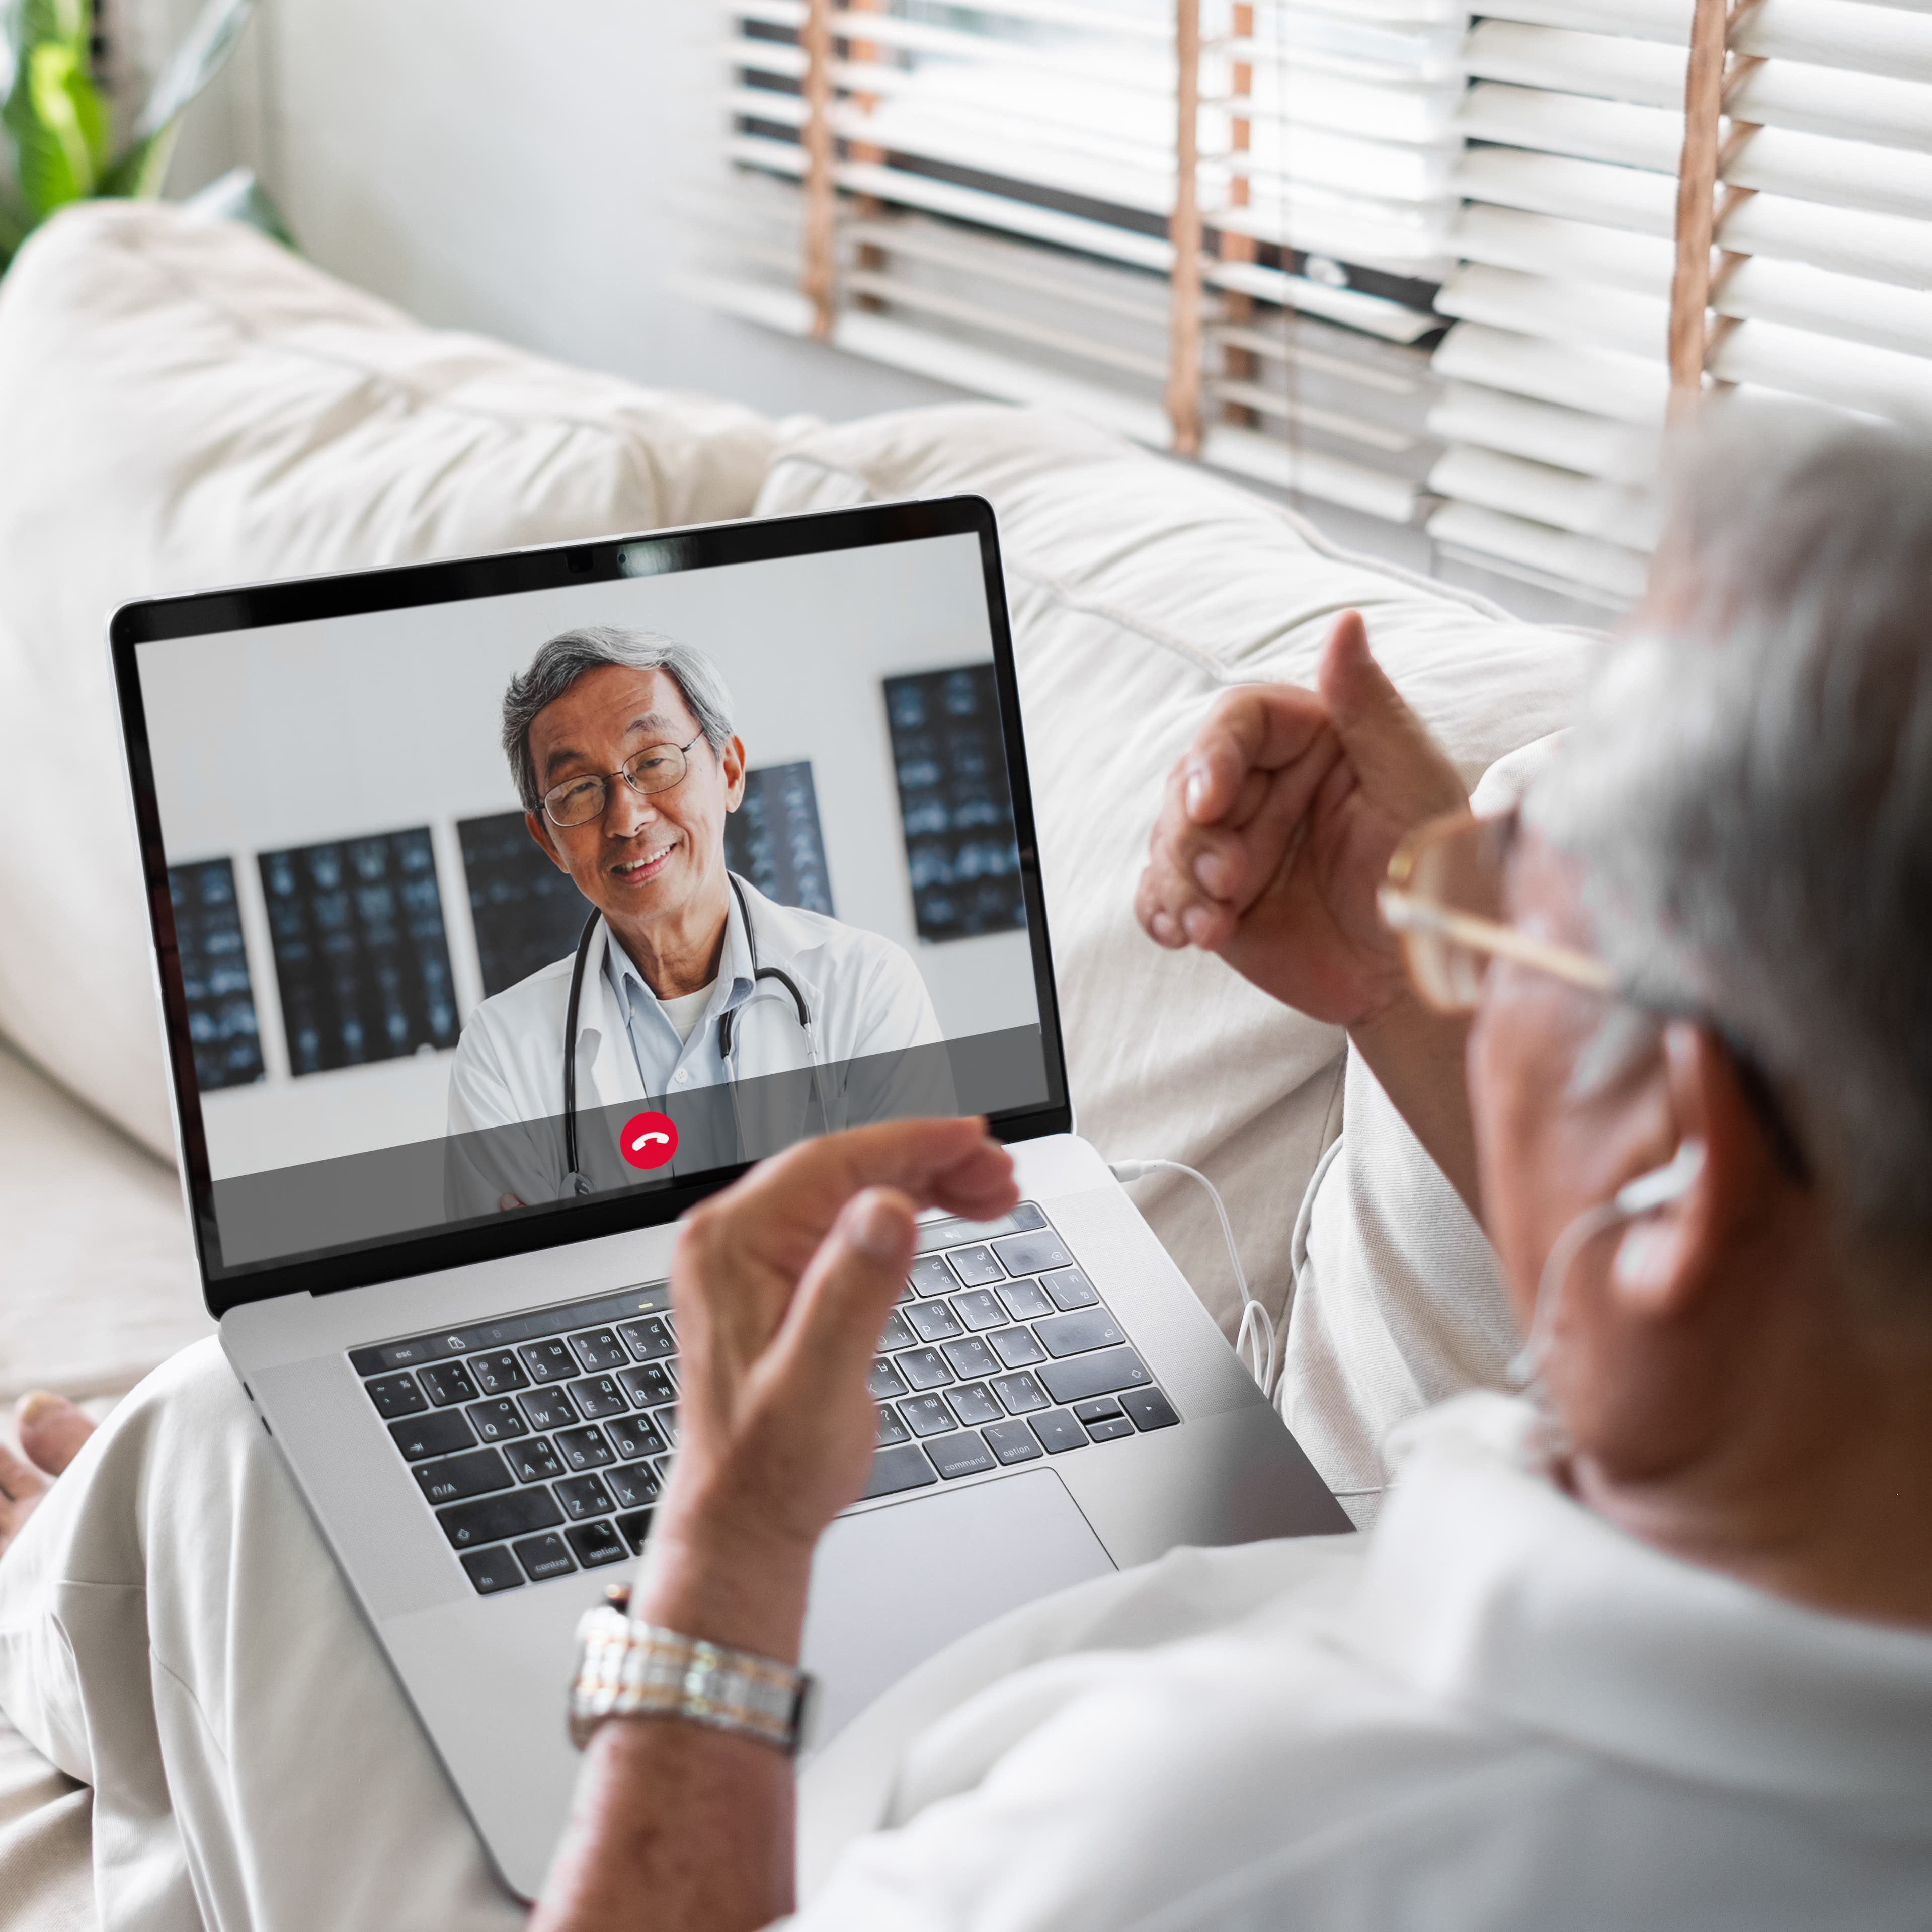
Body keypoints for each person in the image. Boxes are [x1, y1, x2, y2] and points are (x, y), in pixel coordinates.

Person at [5, 415, 1932, 1929]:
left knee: (219, 1459)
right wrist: (1428, 999)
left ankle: (92, 1613)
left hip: (798, 1783)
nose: (628, 815)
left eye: (1512, 929)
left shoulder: (1211, 1848)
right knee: (259, 1486)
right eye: (574, 791)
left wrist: (729, 1564)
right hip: (1097, 1607)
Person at [446, 626, 947, 1204]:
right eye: (578, 791)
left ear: (729, 772)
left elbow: (910, 1240)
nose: (627, 819)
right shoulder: (500, 1052)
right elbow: (514, 1288)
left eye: (654, 762)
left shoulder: (867, 984)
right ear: (548, 841)